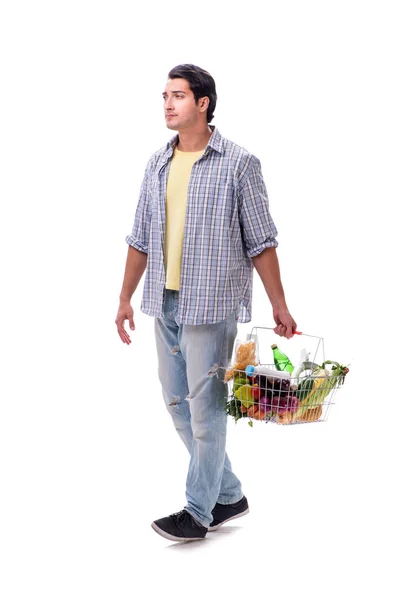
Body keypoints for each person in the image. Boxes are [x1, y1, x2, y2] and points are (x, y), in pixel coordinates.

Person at [115, 64, 297, 543]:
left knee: (206, 411)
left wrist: (280, 304)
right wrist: (124, 297)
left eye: (178, 95)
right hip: (164, 300)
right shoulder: (157, 163)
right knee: (176, 403)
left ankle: (198, 512)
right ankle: (230, 493)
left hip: (211, 306)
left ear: (203, 103)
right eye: (164, 95)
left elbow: (261, 241)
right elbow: (140, 239)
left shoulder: (239, 163)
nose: (168, 104)